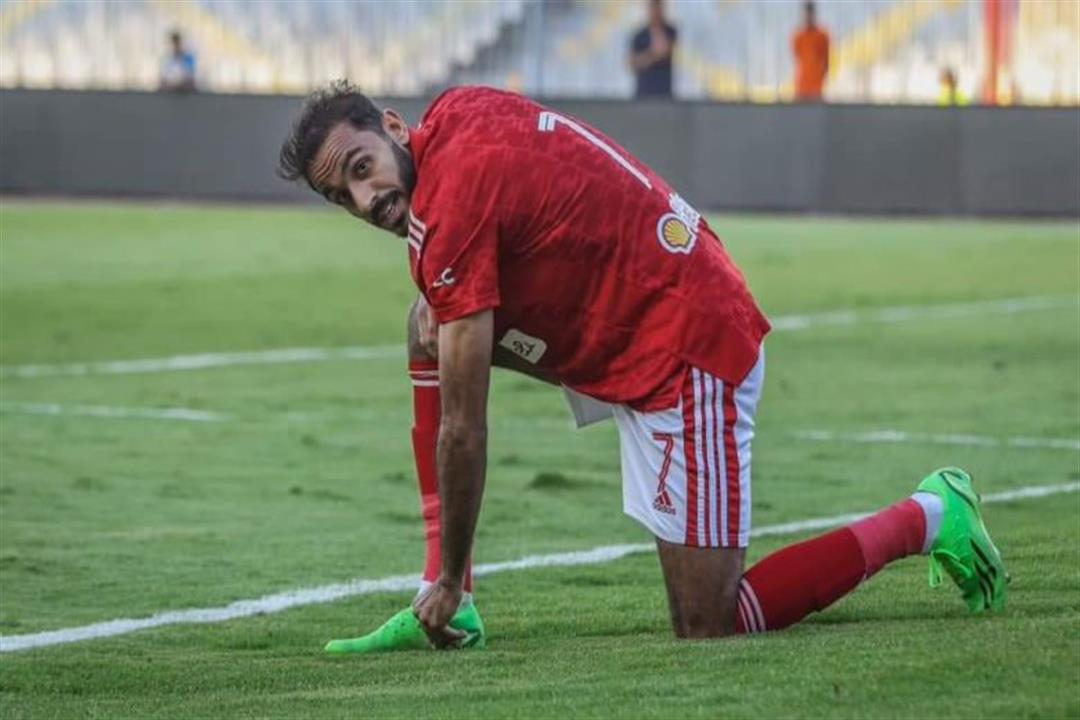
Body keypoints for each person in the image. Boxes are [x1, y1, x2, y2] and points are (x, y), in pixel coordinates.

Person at [277, 82, 1008, 652]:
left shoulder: (450, 212)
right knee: (430, 325)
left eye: (363, 169)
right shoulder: (457, 113)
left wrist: (444, 572)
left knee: (712, 624)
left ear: (394, 127)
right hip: (645, 302)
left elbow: (464, 431)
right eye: (342, 196)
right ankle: (456, 600)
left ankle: (929, 516)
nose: (365, 200)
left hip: (686, 346)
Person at [628, 0, 677, 99]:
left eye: (658, 9)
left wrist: (647, 58)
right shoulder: (639, 36)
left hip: (664, 92)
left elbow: (667, 51)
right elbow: (633, 63)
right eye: (653, 9)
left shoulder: (670, 32)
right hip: (644, 92)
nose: (656, 12)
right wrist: (653, 55)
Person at [792, 1, 829, 102]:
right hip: (801, 86)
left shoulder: (822, 36)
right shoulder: (798, 36)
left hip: (816, 87)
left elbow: (826, 60)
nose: (808, 17)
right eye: (806, 14)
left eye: (810, 14)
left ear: (814, 15)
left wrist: (821, 77)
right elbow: (797, 56)